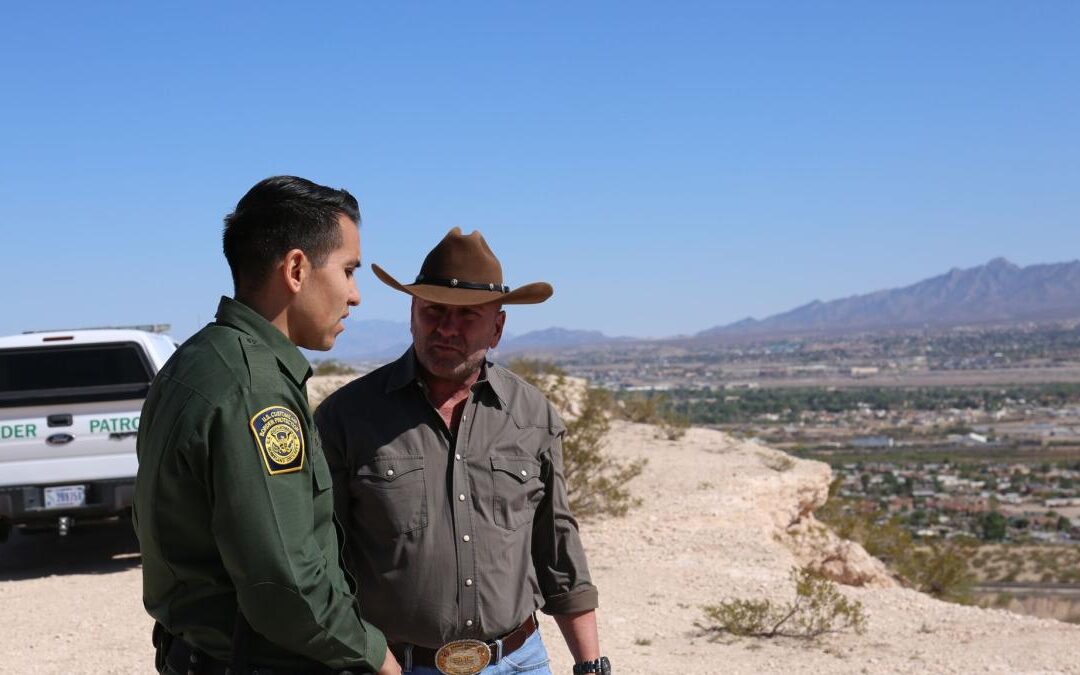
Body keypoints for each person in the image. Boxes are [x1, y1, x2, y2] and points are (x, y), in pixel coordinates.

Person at [133, 176, 401, 675]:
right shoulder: (253, 388)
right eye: (348, 270)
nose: (356, 295)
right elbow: (285, 584)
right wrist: (373, 655)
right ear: (296, 268)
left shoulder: (198, 360)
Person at [315, 228, 611, 675]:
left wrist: (591, 665)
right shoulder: (346, 417)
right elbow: (322, 559)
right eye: (433, 310)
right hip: (395, 665)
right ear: (412, 313)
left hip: (518, 661)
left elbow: (559, 549)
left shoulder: (531, 415)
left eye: (468, 315)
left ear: (497, 327)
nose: (447, 328)